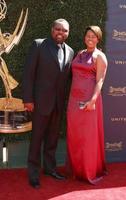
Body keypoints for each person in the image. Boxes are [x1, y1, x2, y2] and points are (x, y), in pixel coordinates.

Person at [22, 18, 74, 189]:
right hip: (39, 103)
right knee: (36, 140)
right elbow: (29, 74)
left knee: (52, 140)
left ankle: (50, 169)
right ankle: (33, 175)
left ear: (68, 33)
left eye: (64, 30)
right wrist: (28, 99)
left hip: (58, 104)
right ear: (52, 30)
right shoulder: (39, 45)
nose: (60, 32)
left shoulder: (71, 51)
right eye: (58, 29)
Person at [66, 25, 108, 184]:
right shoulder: (79, 54)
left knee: (88, 137)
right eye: (88, 35)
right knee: (75, 135)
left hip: (89, 101)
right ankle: (76, 169)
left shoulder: (100, 56)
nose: (90, 38)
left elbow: (100, 81)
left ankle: (89, 171)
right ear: (85, 37)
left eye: (94, 36)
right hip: (73, 101)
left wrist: (93, 100)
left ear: (98, 39)